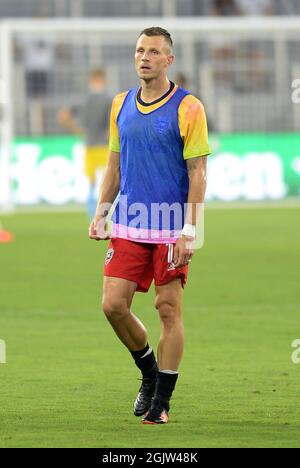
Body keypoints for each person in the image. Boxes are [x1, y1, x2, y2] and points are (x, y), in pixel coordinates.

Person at [89, 27, 211, 425]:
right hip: (129, 222)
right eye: (140, 50)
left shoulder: (188, 107)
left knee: (168, 309)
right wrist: (101, 210)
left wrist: (192, 229)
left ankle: (161, 401)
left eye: (154, 52)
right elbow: (114, 164)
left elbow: (198, 172)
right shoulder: (120, 104)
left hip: (171, 226)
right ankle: (148, 372)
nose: (144, 57)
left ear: (168, 60)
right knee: (112, 305)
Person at [57, 69, 111, 219]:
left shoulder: (83, 99)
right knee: (108, 180)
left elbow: (63, 116)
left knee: (91, 182)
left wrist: (78, 130)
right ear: (103, 79)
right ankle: (106, 212)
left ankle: (91, 214)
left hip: (89, 144)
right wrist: (110, 132)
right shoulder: (108, 99)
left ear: (91, 80)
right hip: (105, 146)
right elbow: (117, 119)